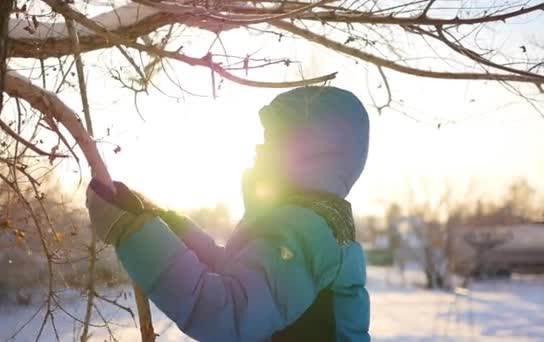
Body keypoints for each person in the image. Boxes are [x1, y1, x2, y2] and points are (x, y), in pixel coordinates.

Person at [86, 86, 371, 341]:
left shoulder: (308, 229)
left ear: (309, 152)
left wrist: (132, 232)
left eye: (273, 138)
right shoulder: (311, 220)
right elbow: (236, 273)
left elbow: (230, 314)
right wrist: (163, 223)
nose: (260, 148)